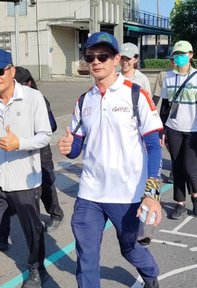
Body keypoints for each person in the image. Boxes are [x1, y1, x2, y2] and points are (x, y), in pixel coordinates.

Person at [58, 32, 163, 288]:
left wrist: (152, 193)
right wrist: (69, 149)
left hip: (128, 194)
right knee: (86, 258)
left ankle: (150, 275)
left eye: (103, 56)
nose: (96, 61)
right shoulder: (84, 100)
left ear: (116, 59)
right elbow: (77, 148)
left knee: (131, 250)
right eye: (90, 57)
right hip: (90, 194)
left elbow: (153, 146)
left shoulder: (136, 95)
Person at [0, 48, 52, 288]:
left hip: (24, 180)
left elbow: (45, 135)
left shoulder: (31, 97)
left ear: (12, 71)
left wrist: (20, 143)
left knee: (32, 231)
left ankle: (37, 269)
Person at [0, 67, 64, 251]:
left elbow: (51, 126)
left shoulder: (37, 99)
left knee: (46, 184)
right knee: (6, 193)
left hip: (38, 150)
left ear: (28, 83)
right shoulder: (4, 100)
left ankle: (55, 214)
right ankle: (1, 236)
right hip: (14, 152)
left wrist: (28, 131)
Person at [159, 40, 197, 220]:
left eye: (183, 54)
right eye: (176, 55)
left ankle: (195, 196)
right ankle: (179, 204)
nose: (179, 58)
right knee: (177, 167)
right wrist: (162, 129)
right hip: (173, 128)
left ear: (191, 55)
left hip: (192, 130)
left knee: (190, 169)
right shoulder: (168, 77)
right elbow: (165, 106)